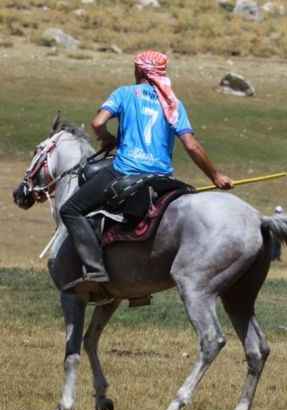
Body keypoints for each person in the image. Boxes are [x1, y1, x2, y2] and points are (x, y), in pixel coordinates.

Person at [60, 50, 233, 291]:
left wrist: (108, 139)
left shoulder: (124, 93)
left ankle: (96, 271)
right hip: (161, 177)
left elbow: (97, 123)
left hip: (125, 171)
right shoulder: (174, 103)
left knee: (70, 210)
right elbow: (191, 145)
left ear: (140, 71)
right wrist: (216, 176)